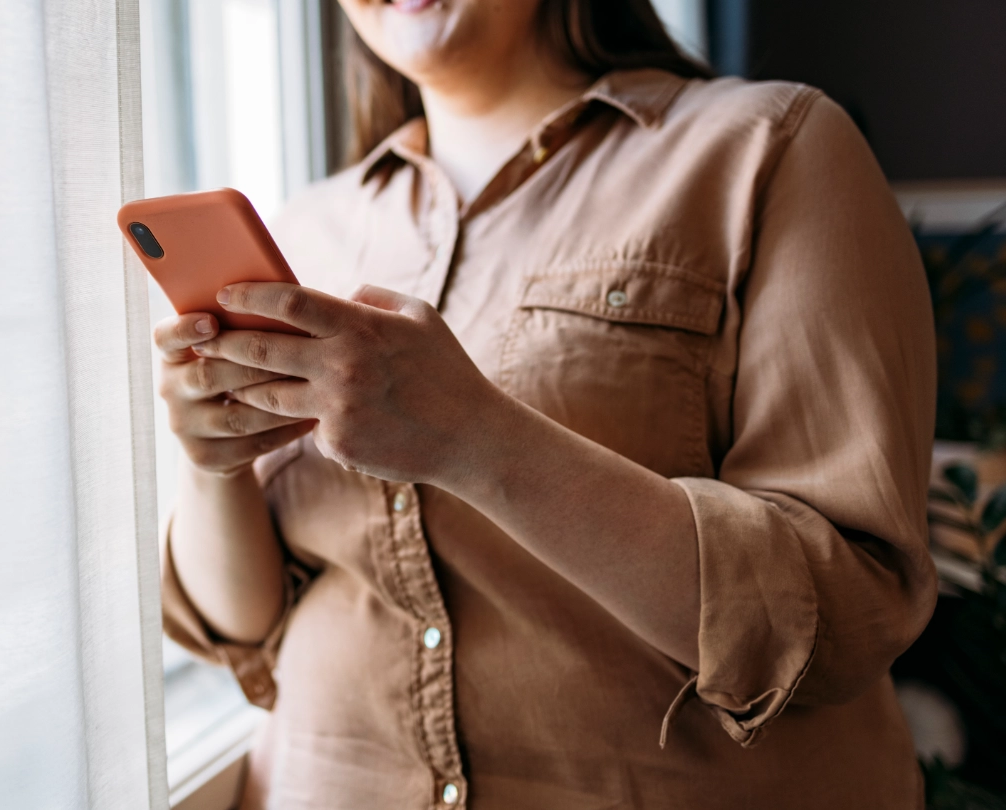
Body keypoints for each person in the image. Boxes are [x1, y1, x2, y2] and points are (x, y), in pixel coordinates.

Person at [155, 0, 938, 806]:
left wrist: (476, 438)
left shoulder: (772, 149)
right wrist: (213, 463)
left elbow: (848, 609)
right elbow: (243, 627)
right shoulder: (304, 229)